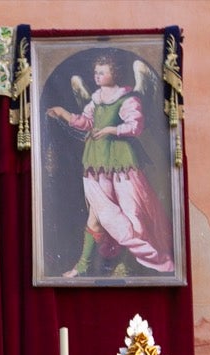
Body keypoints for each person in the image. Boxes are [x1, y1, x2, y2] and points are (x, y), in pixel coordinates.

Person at [45, 53, 174, 278]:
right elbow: (86, 123)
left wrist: (111, 130)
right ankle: (83, 265)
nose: (97, 76)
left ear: (114, 74)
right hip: (96, 163)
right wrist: (64, 114)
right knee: (97, 215)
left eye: (102, 72)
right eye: (95, 72)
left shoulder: (128, 98)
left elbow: (135, 126)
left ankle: (137, 260)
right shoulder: (95, 99)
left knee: (132, 213)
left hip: (122, 163)